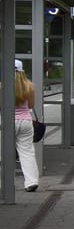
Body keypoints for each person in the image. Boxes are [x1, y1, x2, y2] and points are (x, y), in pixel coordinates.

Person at [11, 60, 39, 192]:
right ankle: (31, 182)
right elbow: (31, 106)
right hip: (26, 122)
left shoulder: (3, 85)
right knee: (27, 152)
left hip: (7, 122)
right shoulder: (29, 86)